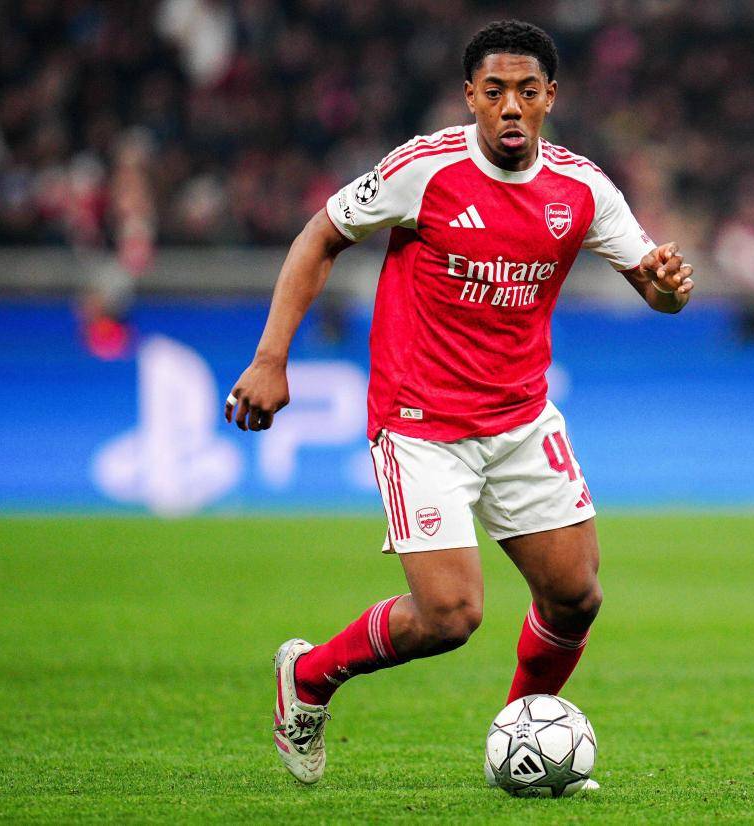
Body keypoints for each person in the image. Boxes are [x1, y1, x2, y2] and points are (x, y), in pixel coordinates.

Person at [224, 19, 694, 787]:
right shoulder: (424, 170)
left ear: (550, 98)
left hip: (519, 418)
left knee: (574, 597)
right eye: (495, 90)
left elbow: (655, 287)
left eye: (527, 91)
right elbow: (320, 236)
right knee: (449, 616)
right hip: (420, 423)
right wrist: (271, 358)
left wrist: (668, 289)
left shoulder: (581, 188)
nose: (511, 106)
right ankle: (307, 677)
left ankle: (517, 743)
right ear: (470, 96)